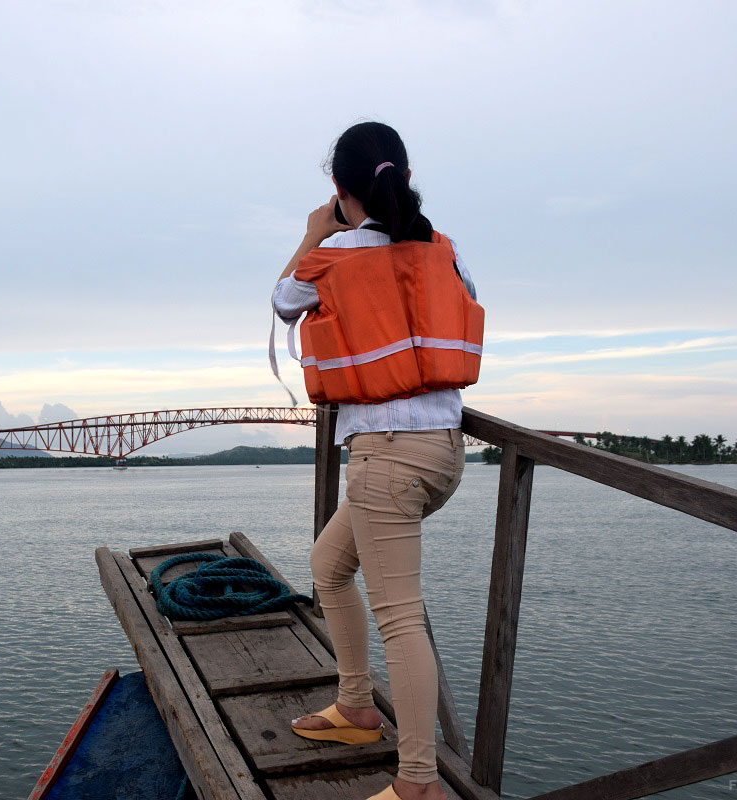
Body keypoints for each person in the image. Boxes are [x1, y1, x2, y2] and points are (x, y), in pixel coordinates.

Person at [271, 121, 478, 800]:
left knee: (400, 617)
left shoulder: (333, 257)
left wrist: (316, 230)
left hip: (387, 459)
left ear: (340, 189)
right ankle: (357, 708)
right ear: (406, 178)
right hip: (443, 453)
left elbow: (283, 301)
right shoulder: (442, 250)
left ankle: (418, 783)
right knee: (329, 569)